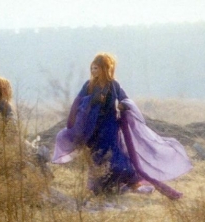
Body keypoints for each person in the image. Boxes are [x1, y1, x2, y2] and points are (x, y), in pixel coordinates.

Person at [52, 53, 192, 199]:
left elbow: (125, 100)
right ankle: (102, 189)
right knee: (98, 158)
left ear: (105, 69)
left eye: (96, 68)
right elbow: (78, 102)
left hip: (110, 127)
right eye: (92, 68)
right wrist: (76, 117)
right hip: (93, 130)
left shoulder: (114, 85)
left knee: (114, 158)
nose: (93, 71)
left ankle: (129, 184)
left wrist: (123, 105)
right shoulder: (89, 85)